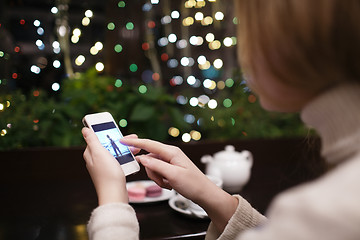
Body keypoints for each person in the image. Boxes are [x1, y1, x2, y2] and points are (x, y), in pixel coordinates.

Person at [81, 0, 360, 239]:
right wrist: (209, 193)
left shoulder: (324, 213)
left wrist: (113, 199)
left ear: (294, 41)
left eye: (247, 29)